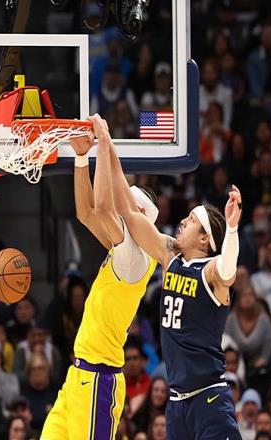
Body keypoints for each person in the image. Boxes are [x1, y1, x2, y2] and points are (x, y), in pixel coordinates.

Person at [104, 111, 242, 437]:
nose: (182, 221)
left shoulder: (211, 272)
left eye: (191, 221)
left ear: (205, 239)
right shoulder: (170, 256)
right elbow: (129, 213)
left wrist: (232, 229)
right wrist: (108, 147)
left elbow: (228, 270)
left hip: (209, 399)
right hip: (177, 403)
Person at [41, 114, 158, 439]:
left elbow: (104, 209)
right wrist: (81, 158)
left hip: (99, 380)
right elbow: (86, 214)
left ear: (140, 216)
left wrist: (104, 144)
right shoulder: (122, 248)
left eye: (127, 205)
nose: (121, 208)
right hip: (78, 376)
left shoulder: (136, 257)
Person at [225, 281, 271, 369]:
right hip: (235, 366)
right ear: (238, 300)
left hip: (260, 366)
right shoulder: (231, 319)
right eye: (244, 295)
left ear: (255, 298)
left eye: (251, 295)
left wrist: (263, 360)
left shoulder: (264, 319)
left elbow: (269, 343)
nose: (248, 298)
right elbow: (226, 343)